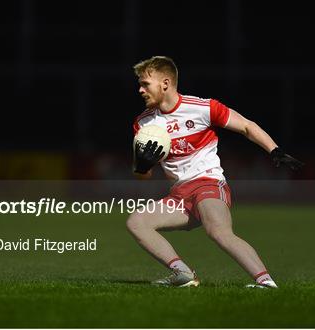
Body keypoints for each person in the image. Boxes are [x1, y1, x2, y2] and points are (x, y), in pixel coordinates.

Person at [127, 56, 303, 288]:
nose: (140, 90)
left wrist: (275, 151)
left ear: (166, 83)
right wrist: (141, 167)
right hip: (179, 196)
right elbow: (143, 176)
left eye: (145, 84)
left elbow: (247, 126)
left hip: (207, 184)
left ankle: (265, 282)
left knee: (218, 230)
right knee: (137, 222)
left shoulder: (202, 108)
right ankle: (183, 274)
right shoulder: (144, 124)